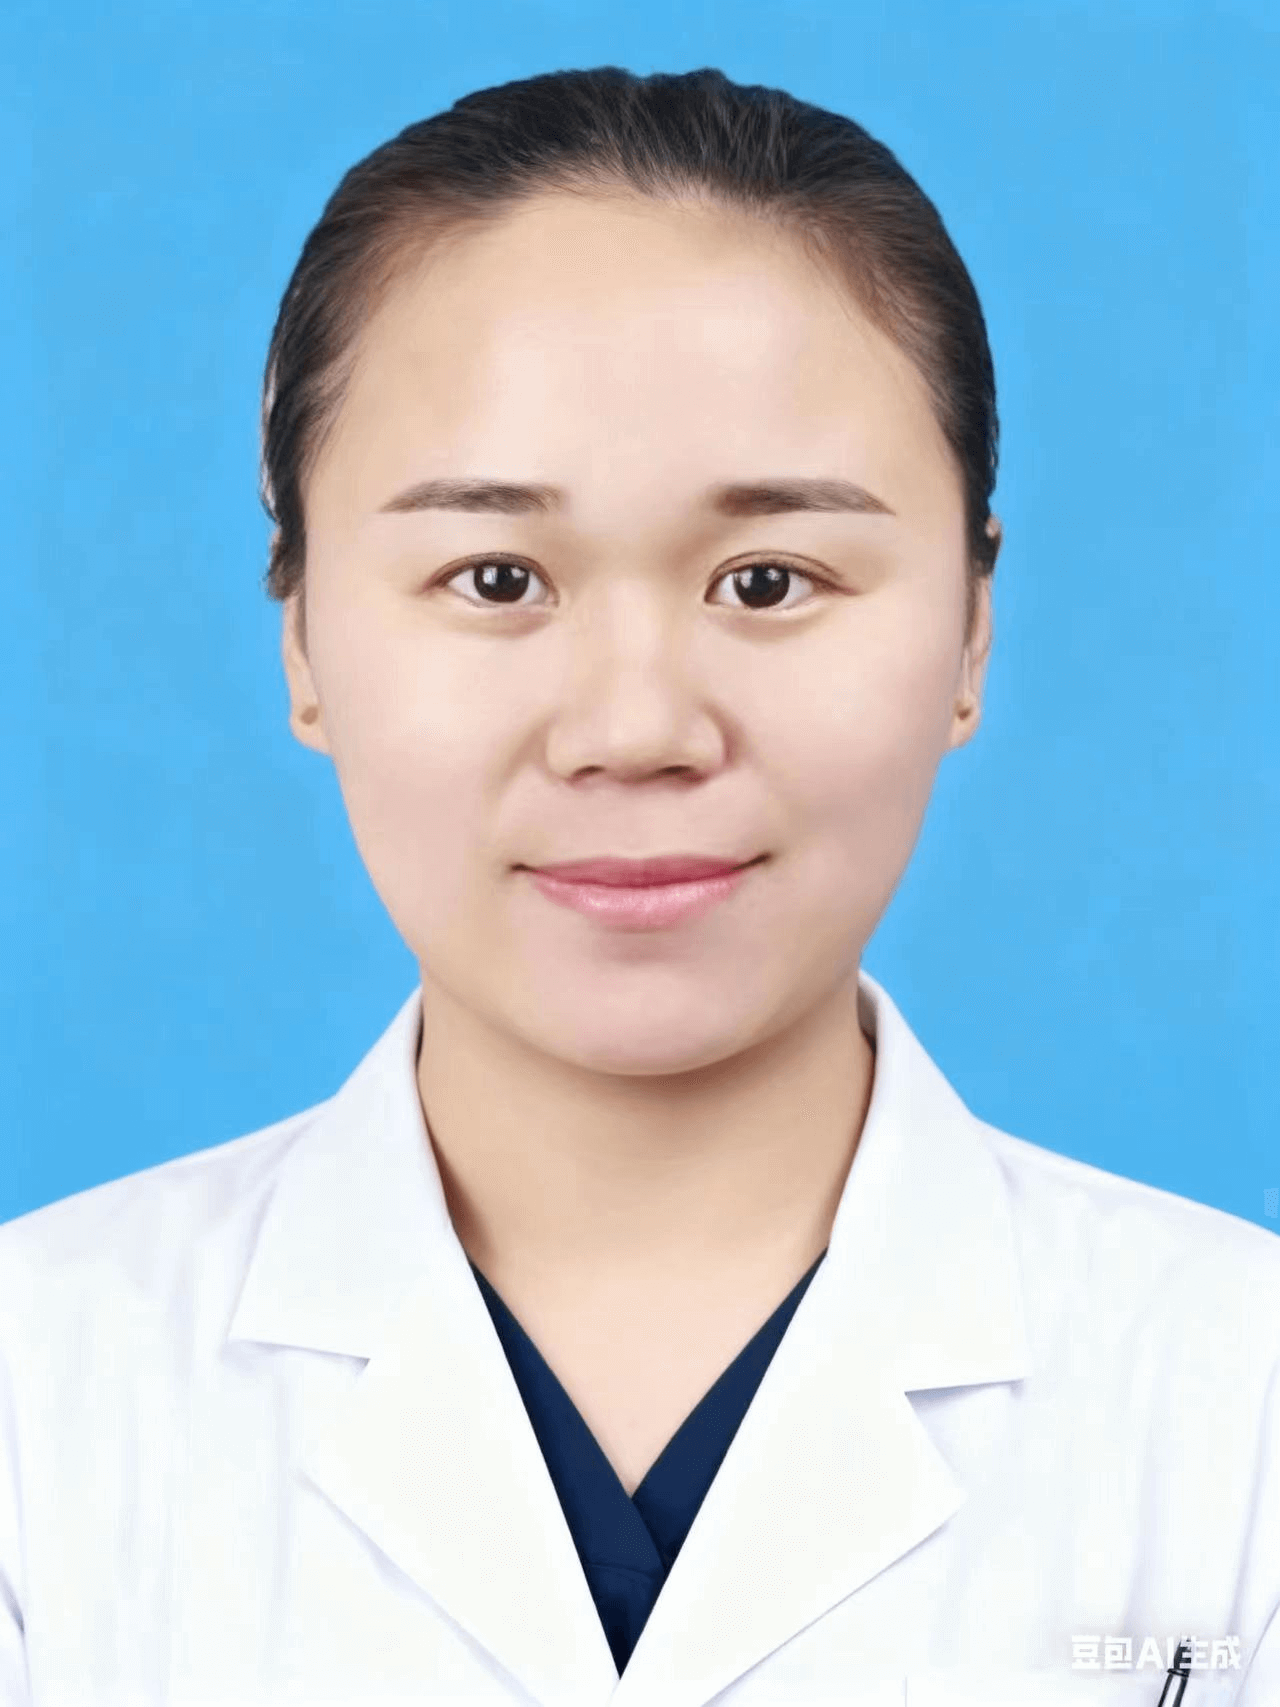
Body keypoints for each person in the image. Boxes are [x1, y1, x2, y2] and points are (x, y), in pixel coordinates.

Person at [0, 65, 1276, 1707]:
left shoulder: (1239, 1419)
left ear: (971, 628)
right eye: (496, 578)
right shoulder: (40, 1404)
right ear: (302, 634)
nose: (636, 729)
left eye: (769, 579)